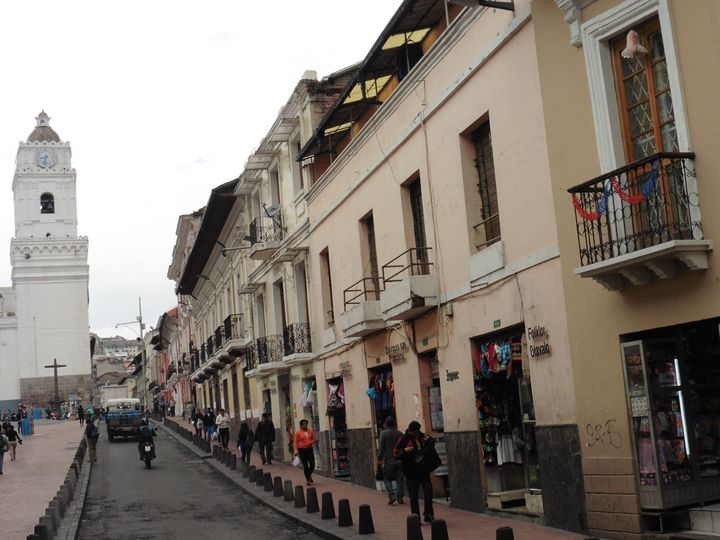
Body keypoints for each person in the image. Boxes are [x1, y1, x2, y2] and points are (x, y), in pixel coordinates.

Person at [393, 421, 434, 523]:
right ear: (410, 431)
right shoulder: (403, 439)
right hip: (411, 471)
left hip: (423, 469)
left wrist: (430, 441)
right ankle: (416, 517)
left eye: (417, 432)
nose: (416, 434)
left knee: (428, 491)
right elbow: (395, 453)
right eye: (414, 432)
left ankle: (428, 514)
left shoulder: (422, 436)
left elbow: (430, 446)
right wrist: (404, 451)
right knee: (413, 496)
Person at [378, 416, 405, 505]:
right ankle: (400, 497)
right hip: (399, 460)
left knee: (387, 479)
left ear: (386, 424)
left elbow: (380, 448)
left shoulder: (383, 434)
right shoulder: (400, 433)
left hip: (389, 461)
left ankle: (391, 495)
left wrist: (379, 458)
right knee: (399, 480)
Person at [293, 419, 316, 486]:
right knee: (305, 465)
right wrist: (296, 450)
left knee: (312, 464)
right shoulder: (298, 433)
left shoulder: (310, 431)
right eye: (304, 424)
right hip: (302, 450)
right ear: (301, 425)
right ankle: (308, 480)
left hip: (309, 449)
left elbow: (314, 438)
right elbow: (295, 442)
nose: (305, 425)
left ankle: (309, 475)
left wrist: (312, 442)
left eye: (306, 424)